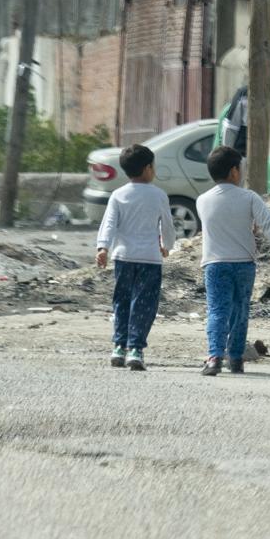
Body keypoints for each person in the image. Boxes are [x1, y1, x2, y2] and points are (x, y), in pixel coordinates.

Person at [196, 145, 270, 376]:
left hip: (215, 264)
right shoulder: (249, 197)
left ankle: (214, 357)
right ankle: (236, 358)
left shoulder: (202, 200)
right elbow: (268, 223)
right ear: (234, 172)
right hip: (244, 265)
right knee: (240, 311)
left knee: (217, 310)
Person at [95, 144, 175, 371]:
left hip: (123, 257)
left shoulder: (118, 195)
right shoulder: (159, 195)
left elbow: (109, 223)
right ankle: (135, 349)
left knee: (121, 301)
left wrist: (103, 247)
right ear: (148, 168)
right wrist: (166, 245)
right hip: (150, 258)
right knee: (144, 304)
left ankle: (119, 346)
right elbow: (167, 225)